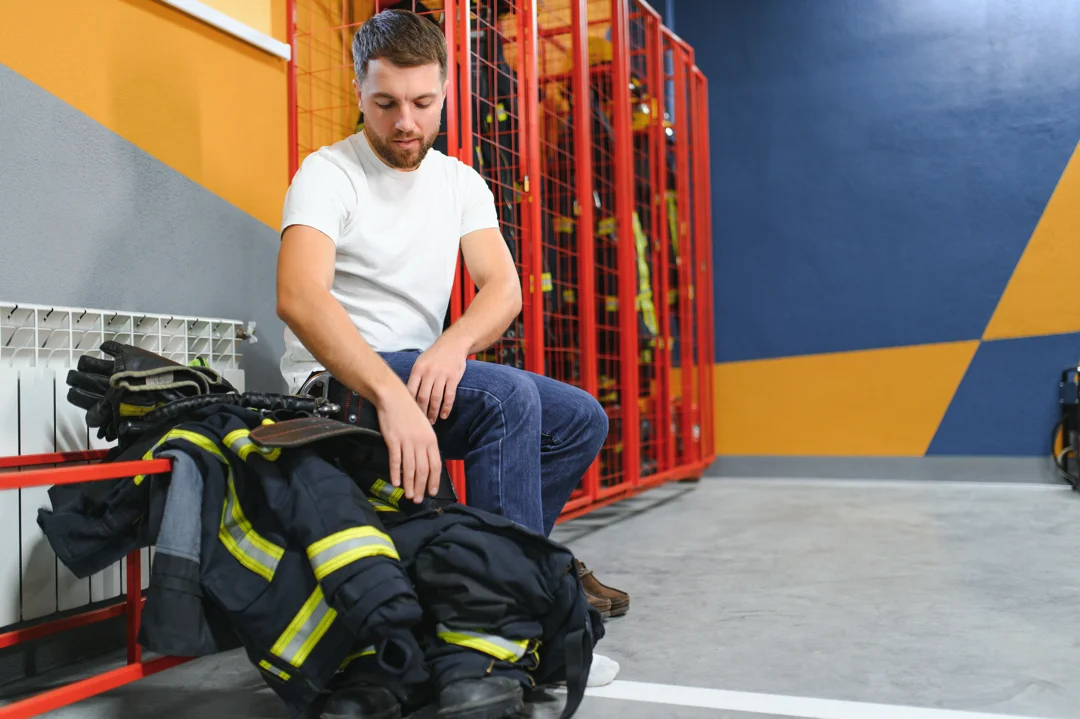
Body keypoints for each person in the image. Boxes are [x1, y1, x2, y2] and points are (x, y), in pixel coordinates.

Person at [274, 8, 629, 621]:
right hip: (343, 384)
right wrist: (390, 394)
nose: (405, 123)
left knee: (580, 421)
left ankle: (511, 560)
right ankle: (504, 614)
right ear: (359, 89)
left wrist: (452, 345)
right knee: (508, 398)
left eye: (422, 102)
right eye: (385, 103)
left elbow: (502, 288)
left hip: (421, 372)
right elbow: (300, 296)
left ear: (445, 92)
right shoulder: (326, 173)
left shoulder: (460, 182)